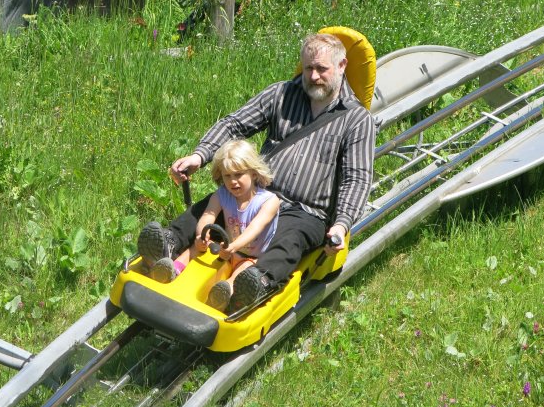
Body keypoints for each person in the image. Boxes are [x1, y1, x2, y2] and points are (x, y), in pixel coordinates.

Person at [138, 32, 376, 311]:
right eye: (308, 68)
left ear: (342, 66)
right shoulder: (281, 94)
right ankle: (167, 243)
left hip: (306, 210)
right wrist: (199, 156)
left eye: (322, 69)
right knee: (215, 203)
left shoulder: (357, 120)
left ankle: (255, 282)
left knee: (290, 239)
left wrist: (341, 223)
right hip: (260, 192)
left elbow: (356, 177)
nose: (313, 77)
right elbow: (234, 124)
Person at [145, 139, 279, 312]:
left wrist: (234, 246)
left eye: (238, 175)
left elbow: (255, 228)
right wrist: (202, 235)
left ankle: (225, 292)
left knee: (245, 269)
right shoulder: (223, 194)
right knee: (196, 248)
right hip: (227, 248)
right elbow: (208, 215)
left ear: (253, 173)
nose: (233, 182)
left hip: (251, 255)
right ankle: (171, 270)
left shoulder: (268, 201)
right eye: (227, 176)